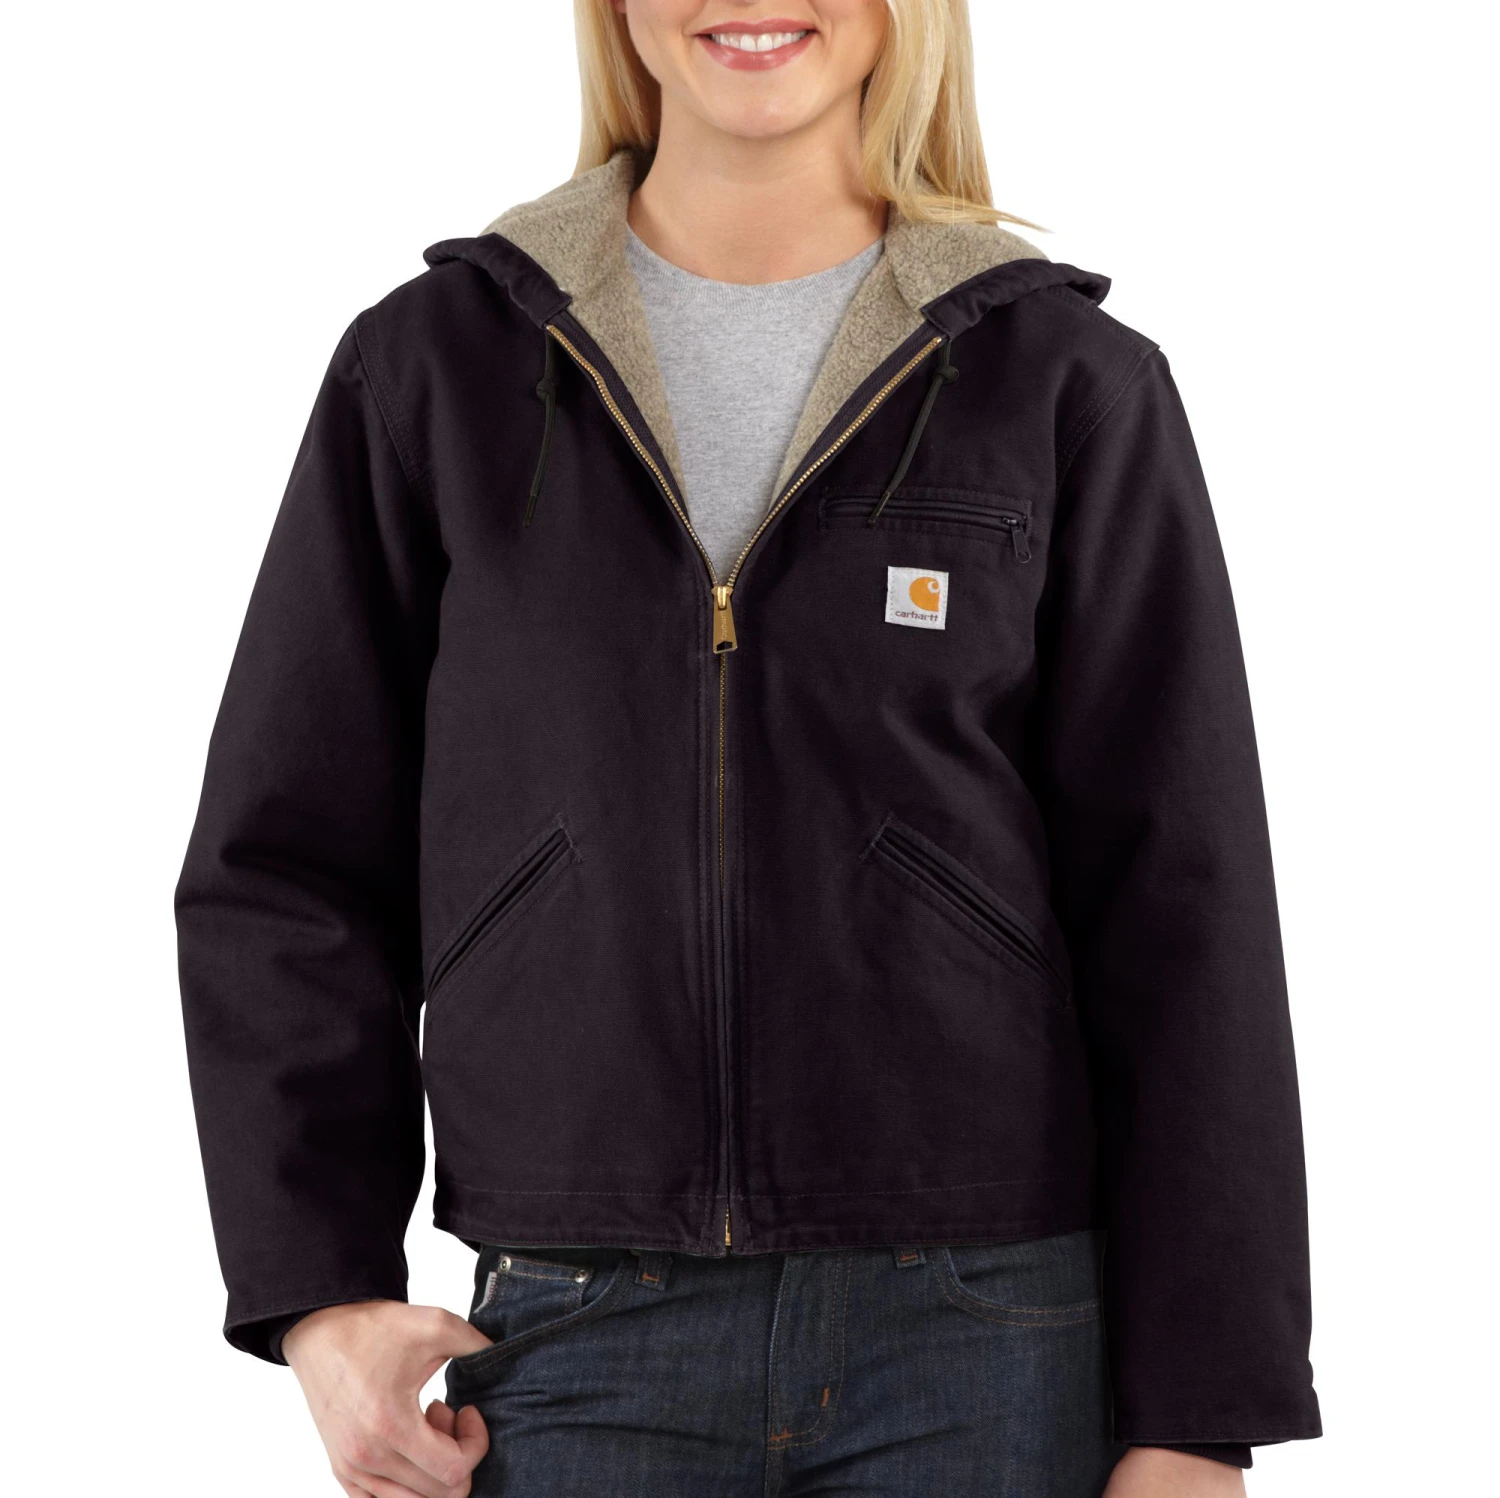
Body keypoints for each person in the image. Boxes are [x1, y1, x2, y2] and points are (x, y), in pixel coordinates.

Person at [175, 2, 1322, 1494]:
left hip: (986, 1333)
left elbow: (1185, 908)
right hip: (576, 1335)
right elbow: (285, 864)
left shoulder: (1061, 382)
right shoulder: (433, 372)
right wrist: (320, 1297)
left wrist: (1200, 1416)